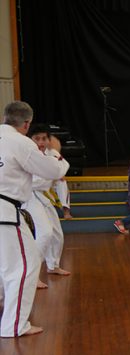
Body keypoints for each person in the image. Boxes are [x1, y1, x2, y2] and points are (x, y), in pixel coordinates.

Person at [0, 101, 67, 338]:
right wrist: (56, 152)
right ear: (26, 124)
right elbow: (54, 171)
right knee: (25, 266)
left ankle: (4, 304)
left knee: (7, 264)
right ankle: (14, 325)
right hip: (5, 211)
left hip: (7, 209)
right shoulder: (20, 142)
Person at [23, 124, 71, 280]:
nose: (41, 142)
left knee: (57, 234)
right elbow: (39, 180)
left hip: (43, 196)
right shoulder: (27, 154)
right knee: (45, 233)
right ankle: (31, 275)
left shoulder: (50, 153)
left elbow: (62, 171)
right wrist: (52, 172)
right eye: (37, 138)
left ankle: (53, 265)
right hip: (29, 196)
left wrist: (65, 207)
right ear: (29, 139)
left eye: (44, 138)